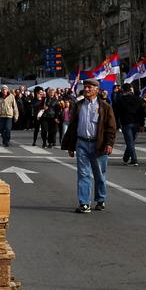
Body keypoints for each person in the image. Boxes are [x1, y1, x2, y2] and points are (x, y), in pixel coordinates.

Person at [63, 79, 117, 213]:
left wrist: (109, 144)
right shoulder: (78, 105)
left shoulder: (105, 107)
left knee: (99, 174)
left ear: (96, 90)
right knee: (83, 174)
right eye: (85, 87)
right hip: (81, 143)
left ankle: (100, 199)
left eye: (89, 87)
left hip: (99, 144)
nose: (86, 90)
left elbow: (111, 127)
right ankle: (84, 203)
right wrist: (71, 145)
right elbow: (73, 126)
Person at [112, 83, 146, 165]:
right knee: (131, 141)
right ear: (131, 89)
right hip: (136, 123)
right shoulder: (138, 99)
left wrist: (116, 124)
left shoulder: (120, 100)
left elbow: (117, 113)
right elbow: (142, 113)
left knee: (129, 141)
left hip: (126, 123)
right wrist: (142, 124)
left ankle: (134, 159)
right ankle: (126, 157)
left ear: (123, 90)